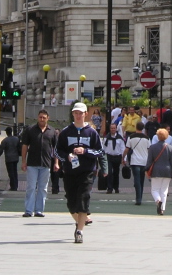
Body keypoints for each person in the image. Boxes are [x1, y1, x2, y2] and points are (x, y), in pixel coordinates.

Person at [56, 102, 105, 244]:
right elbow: (58, 151)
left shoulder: (91, 132)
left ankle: (79, 231)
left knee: (83, 199)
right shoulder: (66, 132)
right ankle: (79, 221)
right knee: (71, 203)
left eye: (81, 113)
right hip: (70, 172)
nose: (78, 115)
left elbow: (100, 151)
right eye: (76, 113)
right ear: (73, 114)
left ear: (85, 114)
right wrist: (67, 157)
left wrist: (85, 151)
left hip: (87, 171)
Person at [21, 109, 57, 217]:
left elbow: (55, 149)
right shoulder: (30, 129)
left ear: (48, 118)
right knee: (31, 187)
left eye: (44, 117)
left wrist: (56, 163)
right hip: (32, 163)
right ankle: (28, 210)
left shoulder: (52, 131)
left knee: (43, 188)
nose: (42, 119)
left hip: (46, 164)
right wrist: (23, 161)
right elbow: (25, 146)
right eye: (40, 117)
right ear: (37, 117)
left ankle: (39, 210)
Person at [146, 128, 172, 215]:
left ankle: (158, 200)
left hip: (156, 170)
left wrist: (147, 170)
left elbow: (149, 161)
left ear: (157, 136)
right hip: (167, 171)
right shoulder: (170, 148)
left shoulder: (152, 147)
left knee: (154, 189)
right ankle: (162, 209)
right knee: (164, 190)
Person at [122, 121, 150, 205]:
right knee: (141, 180)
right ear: (143, 128)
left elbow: (127, 149)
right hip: (144, 161)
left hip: (135, 161)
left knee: (136, 179)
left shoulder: (131, 137)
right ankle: (140, 197)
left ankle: (138, 198)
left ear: (136, 127)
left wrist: (123, 158)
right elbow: (149, 150)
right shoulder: (147, 138)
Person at [104, 123, 125, 194]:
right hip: (109, 156)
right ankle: (109, 188)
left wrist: (123, 158)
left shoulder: (120, 138)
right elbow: (103, 148)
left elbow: (123, 148)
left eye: (114, 128)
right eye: (111, 128)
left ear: (116, 129)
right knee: (109, 172)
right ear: (110, 129)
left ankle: (116, 188)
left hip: (117, 157)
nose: (113, 129)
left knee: (116, 173)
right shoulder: (106, 138)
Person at [0, 126, 20, 191]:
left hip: (9, 158)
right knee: (15, 172)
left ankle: (13, 186)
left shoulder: (5, 141)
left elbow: (1, 150)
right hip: (15, 158)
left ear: (6, 133)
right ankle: (16, 185)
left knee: (11, 173)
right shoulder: (16, 139)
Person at [50, 128, 62, 194]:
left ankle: (55, 187)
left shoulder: (61, 141)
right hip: (51, 158)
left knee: (57, 174)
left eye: (57, 133)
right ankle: (54, 187)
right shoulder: (52, 141)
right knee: (52, 174)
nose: (56, 134)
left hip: (59, 159)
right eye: (55, 133)